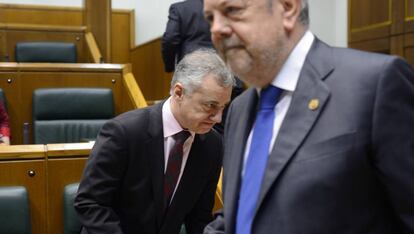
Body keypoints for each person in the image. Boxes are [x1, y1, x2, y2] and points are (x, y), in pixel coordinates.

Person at [203, 0, 414, 233]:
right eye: (210, 18)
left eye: (232, 10)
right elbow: (243, 212)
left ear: (288, 7)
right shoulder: (239, 110)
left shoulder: (375, 84)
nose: (216, 29)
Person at [74, 49, 235, 234]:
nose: (218, 118)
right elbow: (90, 203)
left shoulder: (212, 145)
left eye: (223, 107)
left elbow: (199, 217)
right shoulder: (124, 132)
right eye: (210, 106)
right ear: (179, 92)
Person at [162, 0, 213, 73]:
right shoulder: (223, 6)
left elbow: (170, 39)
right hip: (223, 64)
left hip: (191, 66)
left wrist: (170, 66)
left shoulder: (179, 8)